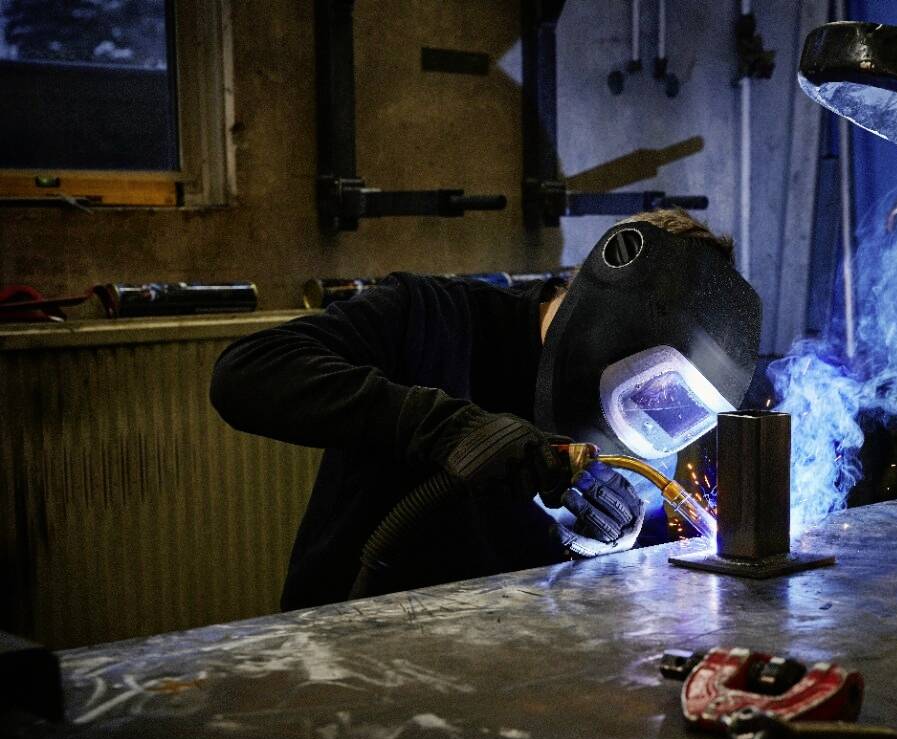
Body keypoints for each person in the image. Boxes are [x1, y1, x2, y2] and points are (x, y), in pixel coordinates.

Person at [210, 209, 762, 609]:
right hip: (348, 649)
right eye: (655, 391)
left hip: (492, 675)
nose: (646, 422)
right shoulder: (430, 319)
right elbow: (246, 372)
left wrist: (593, 546)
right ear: (619, 303)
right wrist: (443, 428)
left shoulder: (611, 436)